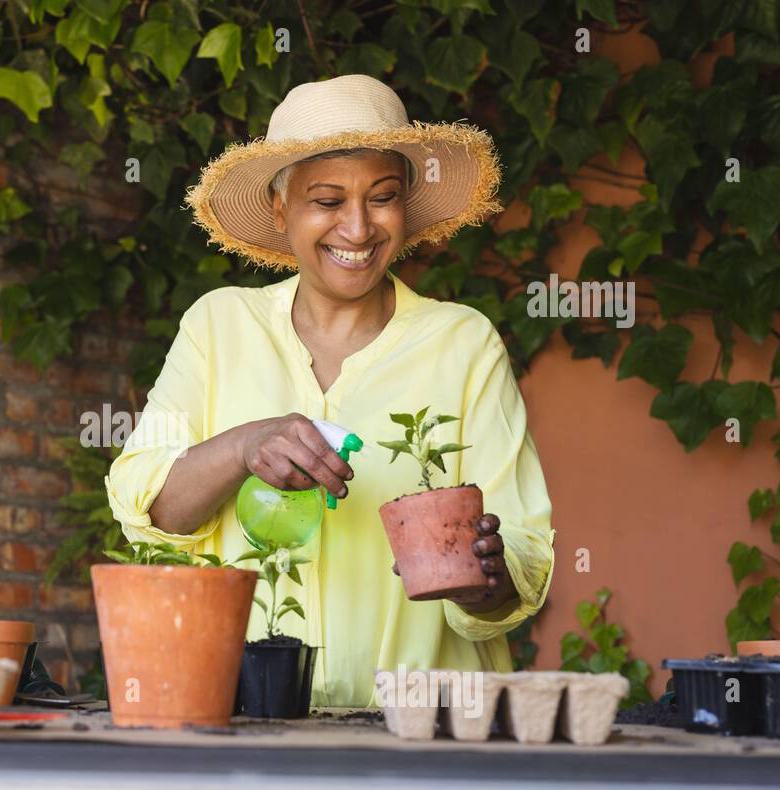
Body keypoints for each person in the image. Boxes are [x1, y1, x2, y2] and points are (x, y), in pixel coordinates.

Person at [105, 75, 556, 708]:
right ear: (278, 208)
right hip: (247, 722)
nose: (358, 227)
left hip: (427, 731)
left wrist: (478, 574)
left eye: (383, 197)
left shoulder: (463, 344)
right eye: (326, 199)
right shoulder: (219, 325)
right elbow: (150, 513)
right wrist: (242, 448)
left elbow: (525, 555)